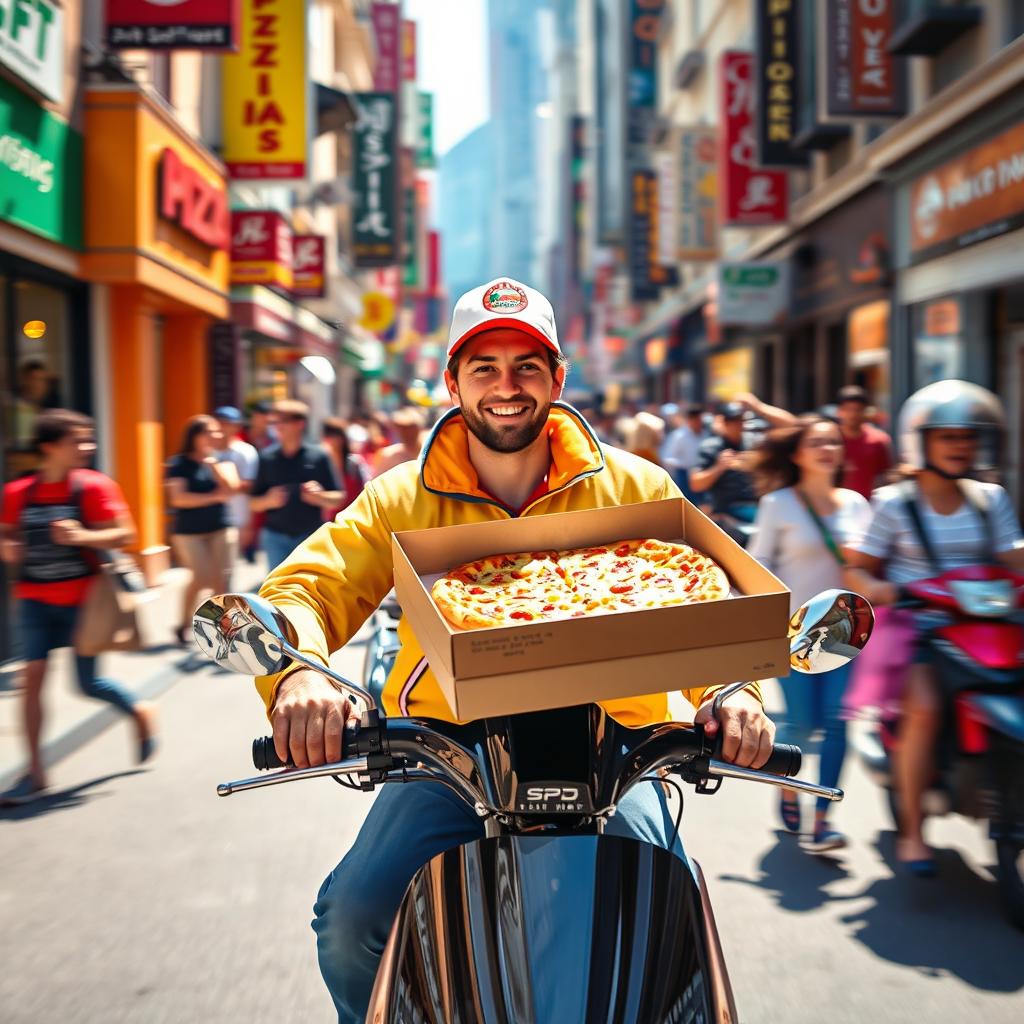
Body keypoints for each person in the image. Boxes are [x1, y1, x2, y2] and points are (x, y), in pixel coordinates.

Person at [254, 277, 776, 1019]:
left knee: (678, 927)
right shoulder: (398, 496)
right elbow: (304, 590)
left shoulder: (639, 486)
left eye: (528, 365)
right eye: (485, 367)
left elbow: (702, 604)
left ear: (558, 378)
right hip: (448, 749)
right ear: (452, 382)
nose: (507, 386)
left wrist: (732, 694)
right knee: (351, 921)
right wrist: (299, 678)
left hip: (619, 747)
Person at [845, 380, 1024, 875]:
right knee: (923, 707)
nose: (961, 447)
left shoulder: (991, 498)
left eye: (968, 437)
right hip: (918, 628)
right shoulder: (894, 504)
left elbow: (1013, 555)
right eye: (949, 437)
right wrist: (878, 589)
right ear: (919, 441)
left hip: (988, 624)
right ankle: (912, 833)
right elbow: (856, 568)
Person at [0, 410, 158, 804]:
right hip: (33, 599)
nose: (88, 448)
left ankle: (139, 711)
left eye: (89, 439)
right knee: (32, 680)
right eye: (78, 441)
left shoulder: (93, 487)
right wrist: (8, 547)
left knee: (86, 684)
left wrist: (82, 535)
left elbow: (127, 534)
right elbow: (5, 535)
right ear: (49, 447)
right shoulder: (18, 492)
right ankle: (35, 772)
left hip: (83, 603)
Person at [748, 417, 871, 852]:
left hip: (846, 634)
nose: (826, 448)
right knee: (801, 725)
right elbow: (757, 565)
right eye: (816, 442)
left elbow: (872, 565)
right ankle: (787, 787)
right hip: (796, 635)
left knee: (838, 724)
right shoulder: (778, 504)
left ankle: (821, 821)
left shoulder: (856, 504)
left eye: (833, 441)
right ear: (797, 454)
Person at [165, 414, 239, 645]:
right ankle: (184, 623)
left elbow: (231, 490)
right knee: (201, 577)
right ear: (194, 436)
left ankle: (220, 630)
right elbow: (178, 499)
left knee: (221, 582)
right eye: (210, 431)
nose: (216, 435)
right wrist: (212, 497)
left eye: (217, 431)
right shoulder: (178, 464)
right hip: (189, 532)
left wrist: (215, 468)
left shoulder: (221, 461)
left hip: (220, 528)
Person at [249, 399, 343, 572]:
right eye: (274, 422)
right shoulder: (266, 457)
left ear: (300, 424)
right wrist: (268, 501)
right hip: (275, 537)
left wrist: (320, 497)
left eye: (282, 421)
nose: (277, 427)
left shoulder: (319, 456)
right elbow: (253, 503)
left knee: (309, 592)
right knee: (277, 593)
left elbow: (338, 498)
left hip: (311, 537)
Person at [689, 402, 759, 522]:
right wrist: (719, 467)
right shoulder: (711, 447)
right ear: (726, 423)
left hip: (756, 504)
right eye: (734, 421)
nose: (739, 425)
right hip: (726, 510)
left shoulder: (754, 444)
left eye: (741, 420)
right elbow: (695, 484)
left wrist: (756, 462)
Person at [212, 406, 259, 577]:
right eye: (219, 423)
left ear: (236, 426)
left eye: (226, 423)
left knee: (227, 570)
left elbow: (249, 484)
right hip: (210, 516)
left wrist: (226, 483)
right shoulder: (207, 450)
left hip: (237, 516)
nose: (222, 427)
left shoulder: (245, 451)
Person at [834, 385, 893, 499]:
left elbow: (885, 477)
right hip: (834, 505)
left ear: (865, 411)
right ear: (839, 411)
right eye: (848, 409)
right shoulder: (830, 440)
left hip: (869, 507)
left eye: (858, 409)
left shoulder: (878, 440)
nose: (853, 414)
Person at [321, 418, 369, 519]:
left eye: (334, 435)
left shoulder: (354, 463)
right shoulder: (321, 463)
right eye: (328, 436)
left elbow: (365, 490)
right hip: (329, 521)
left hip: (353, 518)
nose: (331, 440)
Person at [661, 404, 706, 501]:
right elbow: (667, 458)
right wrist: (687, 466)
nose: (698, 423)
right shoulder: (678, 436)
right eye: (696, 420)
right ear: (689, 420)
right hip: (683, 476)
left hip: (702, 473)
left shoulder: (705, 434)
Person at [371, 406, 426, 476]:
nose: (406, 432)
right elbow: (376, 483)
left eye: (410, 427)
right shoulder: (388, 455)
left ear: (419, 428)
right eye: (401, 427)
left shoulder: (430, 452)